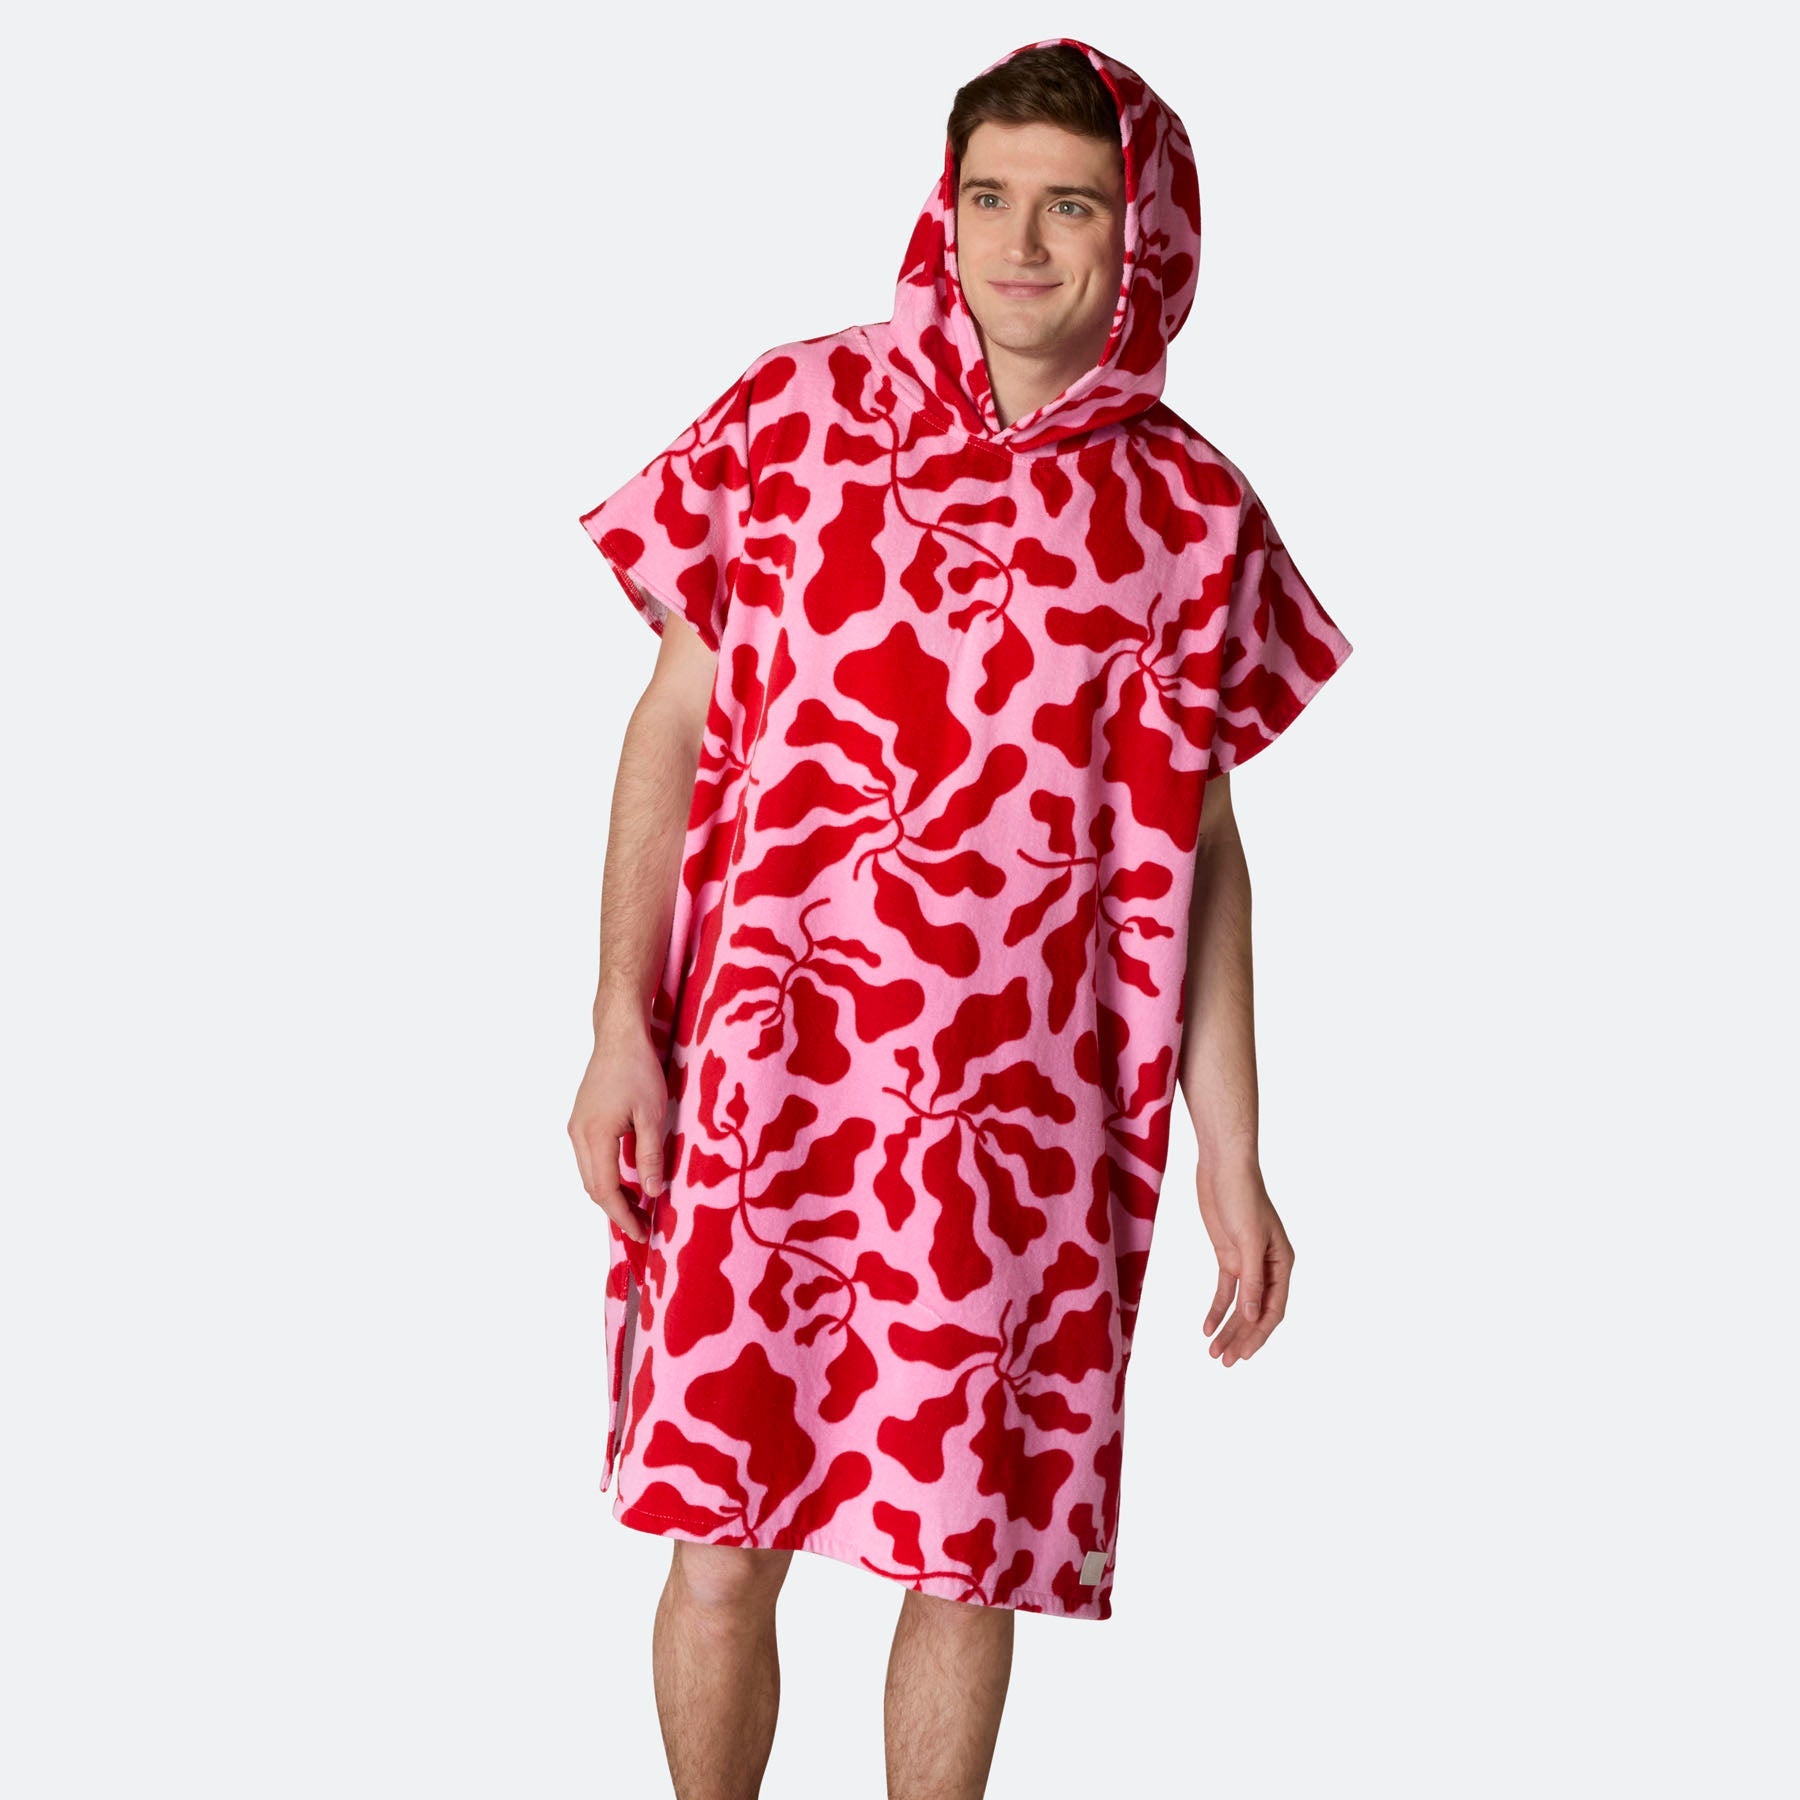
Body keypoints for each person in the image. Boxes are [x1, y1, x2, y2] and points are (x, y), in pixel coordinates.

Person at [568, 36, 1354, 1800]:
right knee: (719, 1539)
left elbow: (1206, 856)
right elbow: (672, 725)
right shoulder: (790, 419)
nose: (1019, 241)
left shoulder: (1192, 516)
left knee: (965, 1558)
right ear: (946, 207)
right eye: (989, 195)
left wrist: (1234, 1152)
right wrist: (620, 1024)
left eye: (1069, 206)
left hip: (1021, 1119)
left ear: (1143, 234)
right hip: (767, 1077)